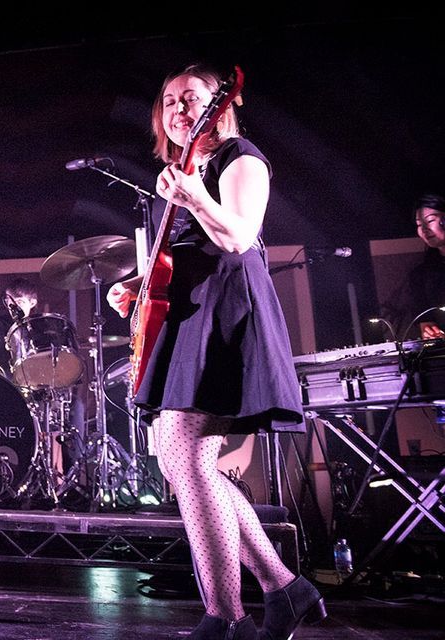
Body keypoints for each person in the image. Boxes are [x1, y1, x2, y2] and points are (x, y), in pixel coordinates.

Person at [106, 64, 324, 640]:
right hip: (189, 317)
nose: (179, 109)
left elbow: (238, 236)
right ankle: (285, 589)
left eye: (191, 98)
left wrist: (195, 193)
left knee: (182, 455)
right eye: (169, 100)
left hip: (228, 315)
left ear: (218, 104)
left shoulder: (239, 157)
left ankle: (227, 618)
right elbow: (186, 256)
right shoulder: (182, 171)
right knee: (183, 461)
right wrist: (139, 285)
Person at [404, 193, 445, 338]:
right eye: (419, 225)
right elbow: (425, 323)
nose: (424, 229)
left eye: (430, 220)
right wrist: (431, 332)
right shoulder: (420, 275)